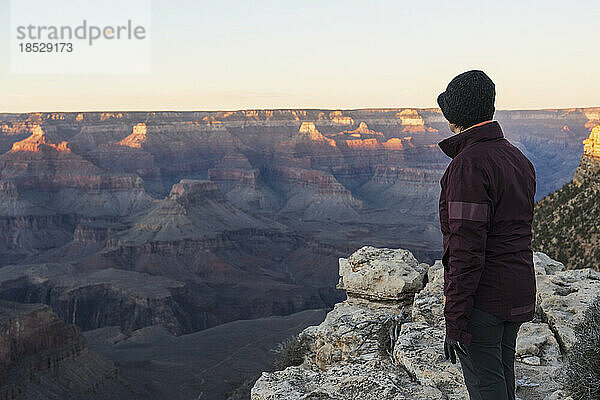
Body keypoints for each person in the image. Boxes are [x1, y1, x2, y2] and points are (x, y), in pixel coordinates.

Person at [436, 70, 537, 400]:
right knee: (502, 377)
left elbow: (466, 249)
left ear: (457, 115)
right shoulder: (516, 156)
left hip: (485, 299)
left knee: (485, 386)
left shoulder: (469, 165)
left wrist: (456, 319)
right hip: (517, 288)